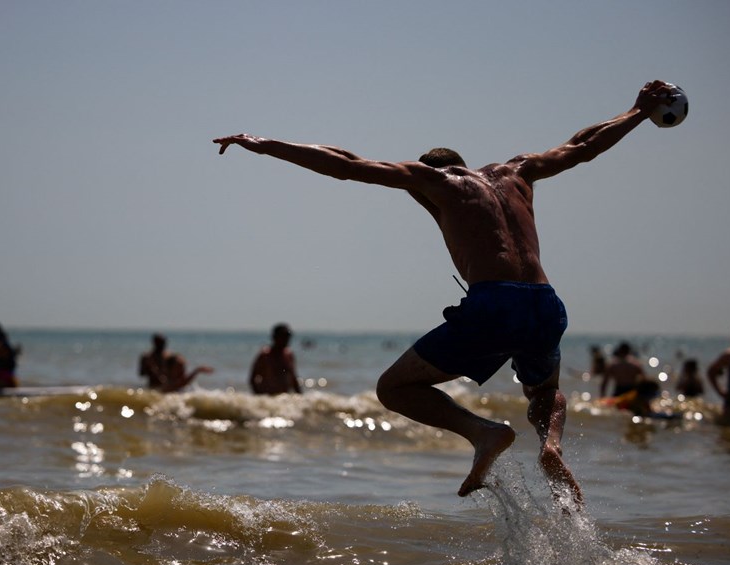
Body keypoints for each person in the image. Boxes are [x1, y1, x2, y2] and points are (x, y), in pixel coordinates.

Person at [216, 80, 677, 504]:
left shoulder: (435, 181)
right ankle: (551, 446)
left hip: (495, 303)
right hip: (546, 303)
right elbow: (582, 146)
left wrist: (263, 145)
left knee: (394, 388)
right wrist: (638, 111)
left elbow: (347, 164)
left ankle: (483, 433)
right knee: (543, 391)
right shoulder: (519, 172)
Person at [139, 333, 213, 392]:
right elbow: (142, 373)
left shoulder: (169, 357)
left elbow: (183, 381)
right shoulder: (147, 358)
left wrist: (197, 370)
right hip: (156, 387)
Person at [249, 323, 302, 395]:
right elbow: (252, 379)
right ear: (274, 337)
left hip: (283, 398)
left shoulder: (289, 355)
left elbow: (293, 379)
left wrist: (300, 397)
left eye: (288, 336)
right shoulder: (265, 355)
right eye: (283, 336)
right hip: (268, 399)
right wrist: (260, 398)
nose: (286, 339)